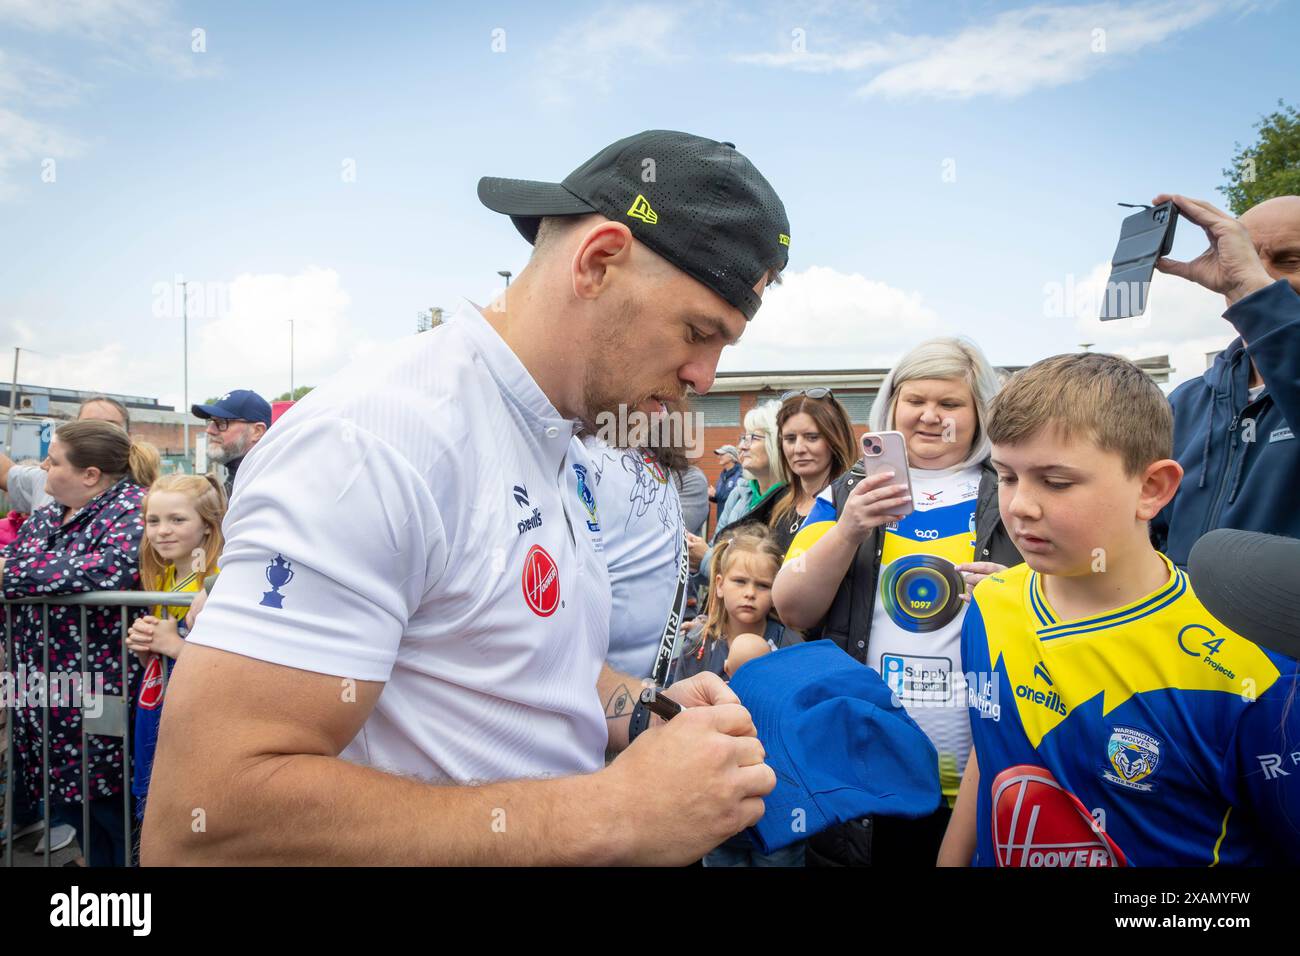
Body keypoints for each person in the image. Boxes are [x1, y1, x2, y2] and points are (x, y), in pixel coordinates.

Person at [142, 129, 789, 866]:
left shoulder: (561, 440)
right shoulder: (378, 442)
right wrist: (613, 812)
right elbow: (208, 819)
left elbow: (531, 668)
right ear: (599, 261)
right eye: (699, 332)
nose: (705, 376)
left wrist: (647, 713)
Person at [939, 352, 1300, 866]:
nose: (1020, 506)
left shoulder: (1254, 670)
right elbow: (991, 748)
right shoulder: (990, 605)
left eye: (1056, 482)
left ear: (1152, 489)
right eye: (1008, 477)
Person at [772, 337, 1016, 867]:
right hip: (864, 777)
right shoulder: (847, 492)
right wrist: (848, 530)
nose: (930, 416)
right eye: (916, 400)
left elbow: (1064, 605)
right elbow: (791, 606)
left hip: (980, 780)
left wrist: (1011, 593)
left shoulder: (1012, 491)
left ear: (979, 413)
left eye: (950, 403)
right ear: (892, 404)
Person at [2, 420, 159, 867]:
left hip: (99, 686)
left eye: (53, 461)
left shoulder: (133, 509)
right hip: (38, 690)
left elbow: (105, 568)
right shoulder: (51, 512)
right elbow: (32, 562)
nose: (43, 468)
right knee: (68, 804)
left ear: (90, 474)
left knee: (110, 805)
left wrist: (14, 574)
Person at [1150, 194, 1300, 567]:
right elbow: (1144, 531)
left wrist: (1253, 289)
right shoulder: (1184, 402)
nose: (1262, 275)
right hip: (1187, 625)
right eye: (1246, 258)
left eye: (1291, 260)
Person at [668, 524, 804, 867]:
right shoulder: (697, 644)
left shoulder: (790, 645)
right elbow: (676, 715)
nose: (749, 593)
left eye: (763, 586)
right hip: (714, 803)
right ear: (718, 584)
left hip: (779, 804)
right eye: (740, 582)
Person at [125, 473, 227, 821]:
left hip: (201, 728)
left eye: (177, 520)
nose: (162, 530)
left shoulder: (219, 582)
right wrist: (146, 647)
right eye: (153, 521)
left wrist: (173, 646)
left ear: (209, 526)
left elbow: (230, 673)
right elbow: (159, 663)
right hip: (160, 716)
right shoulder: (164, 577)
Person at [689, 401, 787, 596]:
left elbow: (769, 581)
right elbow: (712, 559)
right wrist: (693, 557)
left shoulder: (791, 502)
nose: (742, 446)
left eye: (753, 438)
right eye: (743, 438)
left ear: (776, 443)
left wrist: (706, 559)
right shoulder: (740, 494)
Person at [0, 395, 131, 514]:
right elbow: (6, 473)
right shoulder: (47, 477)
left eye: (111, 425)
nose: (98, 432)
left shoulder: (136, 498)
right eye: (88, 424)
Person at [767, 389, 857, 556]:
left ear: (835, 440)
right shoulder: (777, 504)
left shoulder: (852, 506)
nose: (798, 449)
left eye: (812, 437)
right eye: (790, 439)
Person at [190, 390, 272, 498]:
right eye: (211, 421)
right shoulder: (242, 479)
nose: (209, 430)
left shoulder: (264, 490)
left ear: (257, 431)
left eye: (222, 422)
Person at [709, 445, 743, 530]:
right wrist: (712, 496)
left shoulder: (740, 474)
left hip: (733, 523)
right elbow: (720, 498)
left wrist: (716, 493)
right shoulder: (723, 475)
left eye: (722, 454)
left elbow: (736, 497)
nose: (719, 457)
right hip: (722, 520)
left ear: (731, 457)